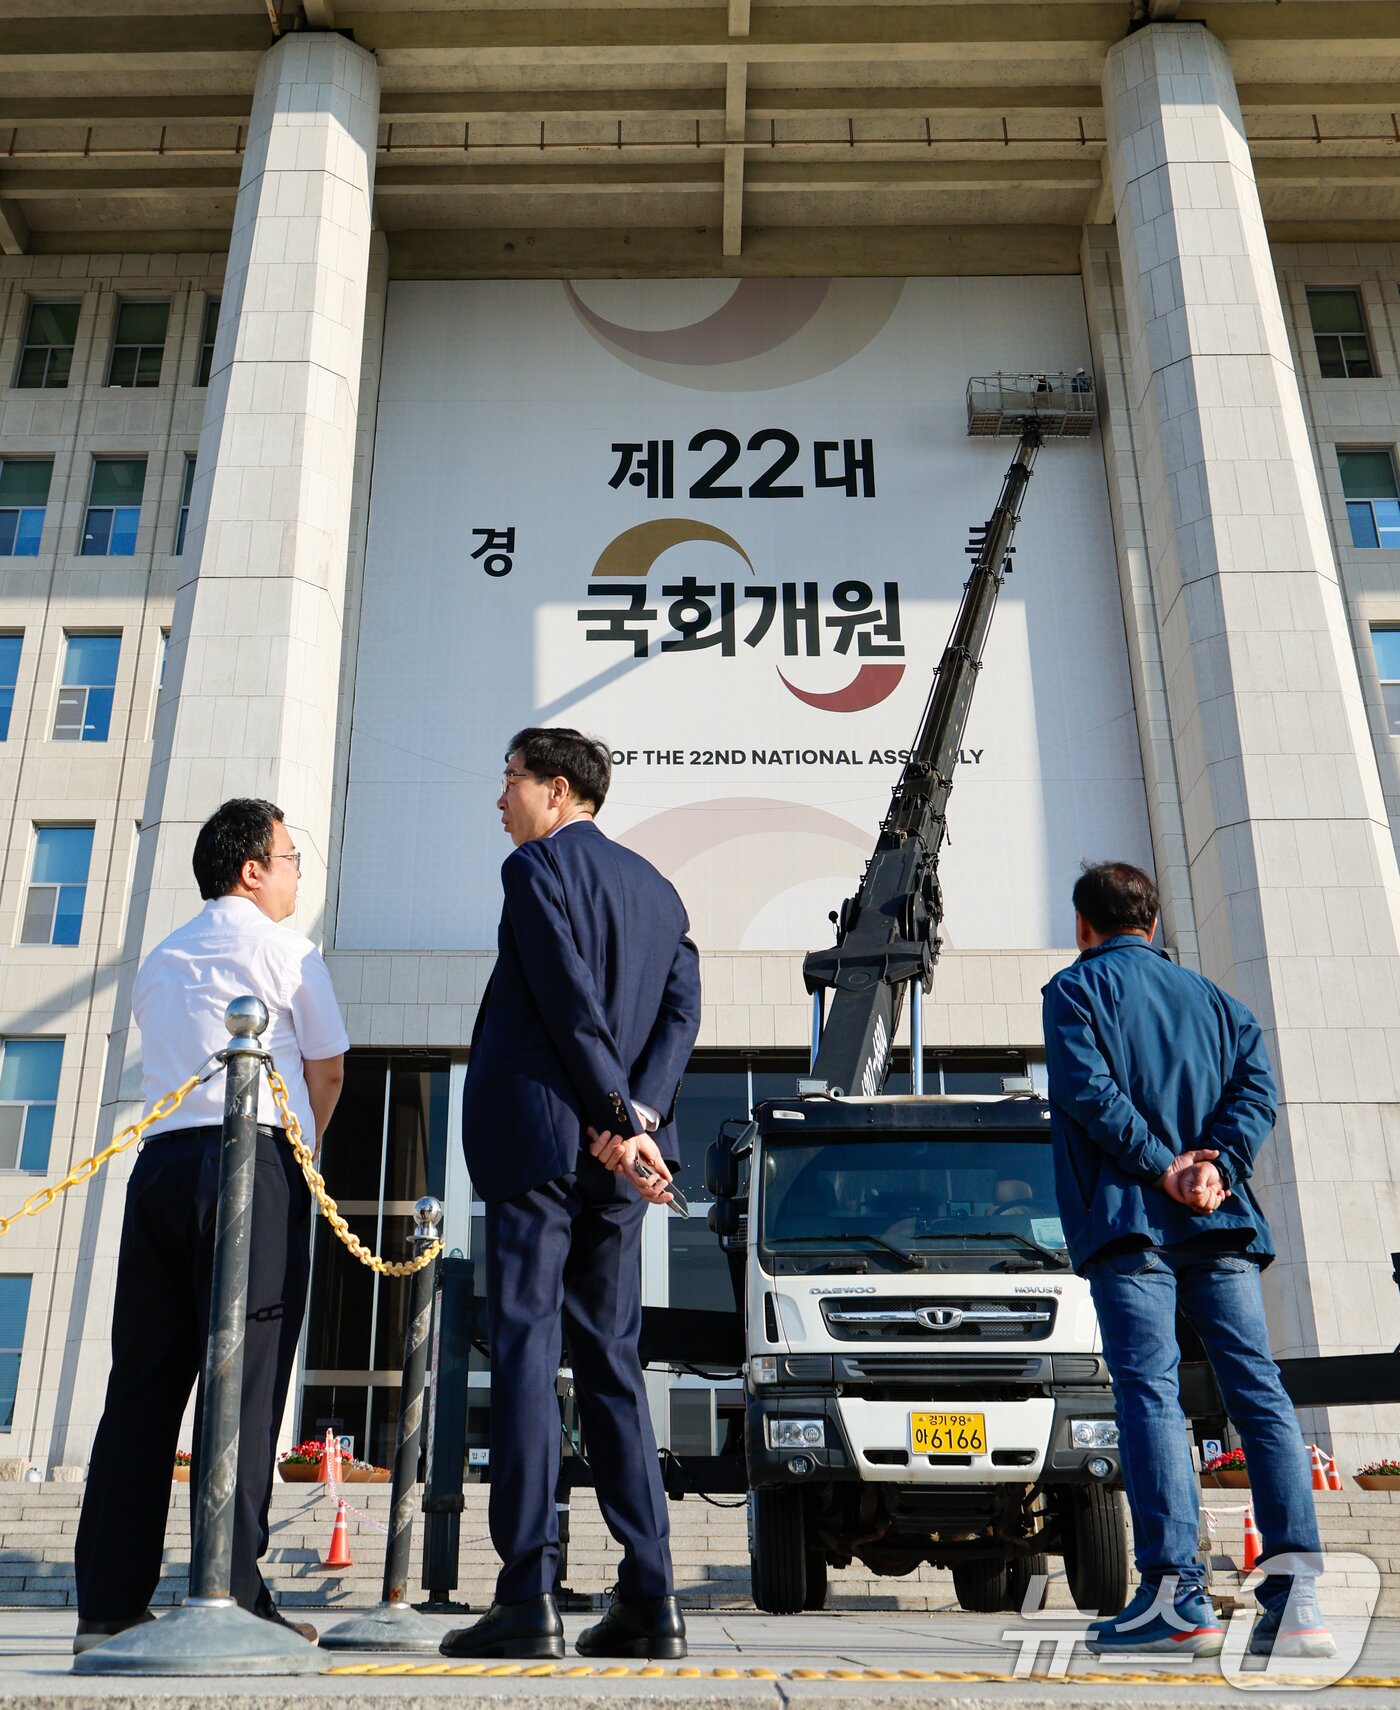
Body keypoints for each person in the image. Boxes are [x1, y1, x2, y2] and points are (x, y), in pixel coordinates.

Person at [441, 728, 700, 1663]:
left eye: (507, 780)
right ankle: (651, 1592)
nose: (499, 800)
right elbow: (681, 1009)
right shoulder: (661, 893)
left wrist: (611, 1111)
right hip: (616, 1160)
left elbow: (563, 992)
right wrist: (643, 1118)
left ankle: (525, 1594)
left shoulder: (536, 870)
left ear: (555, 790)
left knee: (524, 1350)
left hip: (544, 1141)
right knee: (613, 1364)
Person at [74, 799, 347, 1654]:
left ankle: (107, 1607)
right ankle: (230, 1594)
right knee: (247, 1384)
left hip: (159, 1168)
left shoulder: (160, 957)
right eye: (290, 856)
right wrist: (304, 1159)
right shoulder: (287, 950)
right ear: (251, 869)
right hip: (254, 1165)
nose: (298, 870)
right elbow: (329, 1072)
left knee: (142, 1388)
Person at [1042, 861, 1332, 1661]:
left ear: (1083, 926)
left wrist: (1160, 1165)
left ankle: (1176, 1597)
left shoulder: (1073, 993)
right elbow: (1256, 1091)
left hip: (1132, 1221)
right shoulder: (1217, 1003)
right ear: (1156, 925)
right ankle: (1298, 1597)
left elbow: (1089, 1094)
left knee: (1151, 1396)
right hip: (1219, 1220)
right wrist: (1217, 1167)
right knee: (1258, 1393)